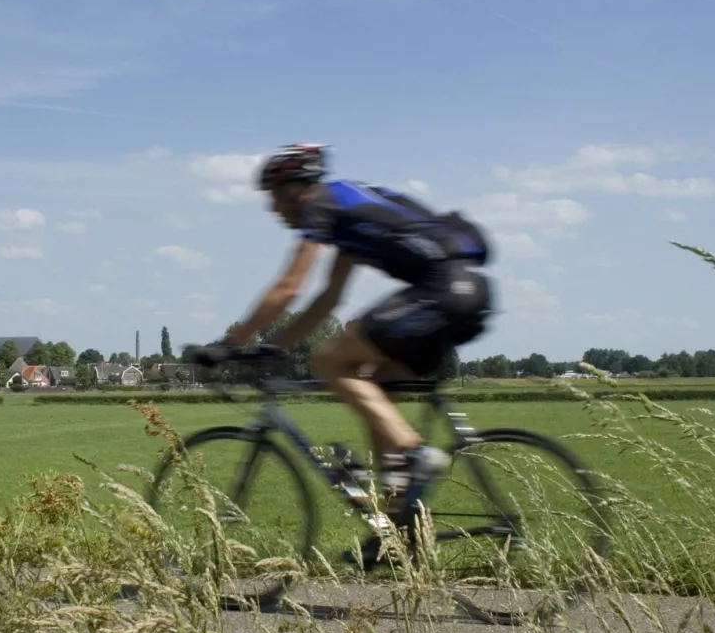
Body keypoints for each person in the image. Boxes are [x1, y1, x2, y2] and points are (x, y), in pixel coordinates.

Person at [193, 143, 492, 516]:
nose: (273, 209)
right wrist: (276, 346)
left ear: (293, 188)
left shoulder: (319, 204)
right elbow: (329, 298)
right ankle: (399, 532)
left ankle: (413, 454)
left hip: (441, 290)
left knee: (329, 359)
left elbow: (289, 287)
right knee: (378, 393)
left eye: (274, 197)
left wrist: (229, 344)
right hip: (469, 291)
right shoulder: (345, 208)